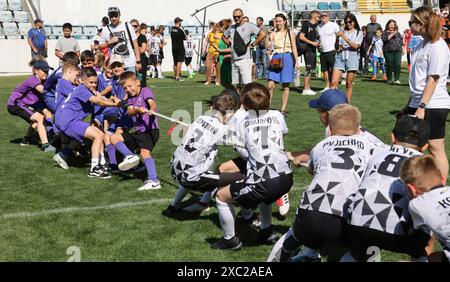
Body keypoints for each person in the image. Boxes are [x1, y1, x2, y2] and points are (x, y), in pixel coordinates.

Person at [267, 104, 373, 262]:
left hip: (309, 213)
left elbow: (313, 169)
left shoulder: (321, 146)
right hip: (344, 217)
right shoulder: (370, 148)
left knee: (293, 236)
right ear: (359, 130)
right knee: (370, 247)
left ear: (330, 128)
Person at [212, 83, 293, 250]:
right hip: (286, 177)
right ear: (269, 100)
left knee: (221, 196)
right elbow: (279, 133)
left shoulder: (241, 120)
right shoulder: (278, 115)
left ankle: (230, 240)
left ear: (244, 105)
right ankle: (266, 231)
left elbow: (232, 140)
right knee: (265, 196)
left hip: (265, 180)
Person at [342, 115, 431, 262]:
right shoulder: (424, 164)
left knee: (360, 251)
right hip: (396, 233)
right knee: (425, 234)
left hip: (357, 224)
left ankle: (359, 254)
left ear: (392, 137)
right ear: (425, 146)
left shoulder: (377, 153)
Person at [163, 92, 241, 214]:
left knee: (193, 173)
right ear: (228, 115)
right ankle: (249, 215)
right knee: (241, 177)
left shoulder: (200, 119)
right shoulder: (222, 129)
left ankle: (173, 206)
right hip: (191, 176)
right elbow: (238, 141)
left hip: (175, 168)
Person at [403, 5, 450, 183]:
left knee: (436, 147)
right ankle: (417, 181)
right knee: (409, 144)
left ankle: (441, 186)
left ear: (421, 24)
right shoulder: (422, 44)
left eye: (411, 22)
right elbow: (418, 80)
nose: (409, 26)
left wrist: (421, 106)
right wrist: (409, 104)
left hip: (434, 104)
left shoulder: (438, 46)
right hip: (419, 102)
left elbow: (433, 79)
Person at [54, 67, 123, 178]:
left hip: (70, 121)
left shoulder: (88, 90)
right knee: (97, 135)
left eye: (95, 82)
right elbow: (99, 102)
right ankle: (94, 168)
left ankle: (101, 164)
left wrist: (118, 100)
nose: (93, 85)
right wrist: (116, 104)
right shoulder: (82, 89)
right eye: (91, 82)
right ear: (82, 80)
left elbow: (101, 98)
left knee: (99, 134)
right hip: (68, 121)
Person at [110, 72, 161, 190]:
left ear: (137, 82)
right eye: (125, 88)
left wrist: (151, 110)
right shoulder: (131, 99)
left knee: (144, 153)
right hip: (139, 131)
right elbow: (130, 112)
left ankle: (154, 181)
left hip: (149, 130)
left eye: (130, 86)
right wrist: (138, 110)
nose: (128, 89)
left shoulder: (145, 91)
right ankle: (129, 156)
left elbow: (152, 104)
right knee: (114, 137)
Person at [400, 155, 450, 263]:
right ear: (442, 178)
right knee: (434, 258)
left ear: (411, 189)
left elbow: (421, 234)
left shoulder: (417, 204)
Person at [7, 60, 55, 152]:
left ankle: (26, 140)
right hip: (15, 104)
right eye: (44, 71)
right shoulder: (33, 80)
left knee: (37, 120)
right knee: (40, 118)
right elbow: (44, 92)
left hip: (23, 104)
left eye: (47, 71)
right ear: (36, 70)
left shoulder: (42, 80)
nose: (46, 73)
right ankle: (46, 146)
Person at [222, 9, 267, 90]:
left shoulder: (249, 26)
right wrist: (230, 44)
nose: (236, 18)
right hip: (234, 59)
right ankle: (239, 101)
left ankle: (247, 102)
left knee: (247, 84)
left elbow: (263, 34)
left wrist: (253, 44)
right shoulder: (231, 28)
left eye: (238, 16)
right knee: (237, 84)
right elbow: (223, 37)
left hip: (245, 59)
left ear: (242, 16)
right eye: (234, 17)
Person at [267, 13, 298, 116]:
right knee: (270, 85)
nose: (278, 23)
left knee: (286, 85)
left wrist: (296, 61)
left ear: (284, 21)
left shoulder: (290, 32)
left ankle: (283, 109)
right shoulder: (273, 33)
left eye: (280, 21)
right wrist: (268, 35)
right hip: (276, 58)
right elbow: (267, 46)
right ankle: (267, 107)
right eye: (276, 21)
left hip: (288, 57)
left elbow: (294, 47)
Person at [98, 7, 142, 74]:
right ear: (109, 16)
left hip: (129, 63)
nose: (114, 18)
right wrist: (110, 42)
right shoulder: (106, 29)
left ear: (119, 15)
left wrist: (138, 61)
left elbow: (135, 43)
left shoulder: (127, 25)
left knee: (130, 83)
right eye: (111, 16)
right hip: (115, 64)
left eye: (116, 16)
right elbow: (99, 46)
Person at [331, 13, 363, 103]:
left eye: (350, 22)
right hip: (340, 56)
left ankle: (347, 103)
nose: (348, 24)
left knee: (349, 83)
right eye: (346, 22)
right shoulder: (342, 32)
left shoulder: (358, 33)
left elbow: (355, 46)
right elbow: (337, 47)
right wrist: (337, 38)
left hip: (352, 57)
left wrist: (344, 37)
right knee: (333, 82)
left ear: (354, 22)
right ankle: (331, 103)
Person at [317, 11, 340, 92]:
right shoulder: (318, 26)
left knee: (334, 69)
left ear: (328, 17)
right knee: (324, 70)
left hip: (331, 51)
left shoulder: (333, 25)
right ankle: (327, 86)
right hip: (322, 51)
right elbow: (318, 37)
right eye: (322, 16)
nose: (323, 17)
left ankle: (334, 86)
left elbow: (339, 35)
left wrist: (337, 46)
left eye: (325, 15)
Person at [299, 10, 320, 96]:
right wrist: (312, 43)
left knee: (310, 69)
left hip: (312, 49)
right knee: (308, 69)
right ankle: (305, 89)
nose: (319, 19)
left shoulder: (315, 26)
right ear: (315, 17)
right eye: (319, 17)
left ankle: (308, 88)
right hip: (307, 49)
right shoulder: (306, 25)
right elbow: (301, 37)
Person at [382, 20, 403, 85]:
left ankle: (397, 79)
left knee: (398, 64)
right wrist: (393, 34)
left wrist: (402, 47)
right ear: (388, 25)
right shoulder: (385, 32)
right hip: (388, 51)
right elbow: (385, 39)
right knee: (390, 65)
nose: (392, 26)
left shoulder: (398, 32)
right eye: (391, 24)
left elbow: (400, 41)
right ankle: (389, 79)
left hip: (398, 51)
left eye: (393, 24)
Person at [131, 20, 149, 87]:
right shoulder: (128, 37)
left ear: (138, 27)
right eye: (132, 26)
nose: (133, 27)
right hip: (131, 60)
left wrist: (134, 49)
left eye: (135, 26)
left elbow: (143, 50)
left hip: (141, 60)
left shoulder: (142, 37)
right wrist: (138, 48)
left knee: (141, 80)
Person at [217, 19, 233, 88]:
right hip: (221, 59)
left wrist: (221, 51)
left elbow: (233, 48)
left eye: (219, 26)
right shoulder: (222, 36)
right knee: (223, 82)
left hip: (227, 60)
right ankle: (229, 95)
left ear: (223, 27)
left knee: (227, 82)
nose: (217, 28)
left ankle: (233, 95)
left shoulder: (229, 37)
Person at [171, 17, 186, 82]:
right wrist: (182, 30)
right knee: (179, 62)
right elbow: (186, 37)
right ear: (179, 22)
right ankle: (177, 77)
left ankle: (176, 75)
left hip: (174, 47)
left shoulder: (172, 29)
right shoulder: (180, 30)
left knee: (175, 62)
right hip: (180, 47)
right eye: (180, 22)